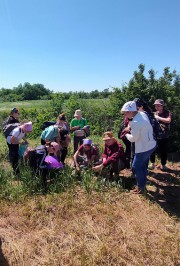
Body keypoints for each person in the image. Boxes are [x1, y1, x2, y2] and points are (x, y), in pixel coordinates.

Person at [121, 101, 156, 194]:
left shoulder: (136, 122)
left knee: (136, 167)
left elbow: (133, 139)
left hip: (144, 147)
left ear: (130, 112)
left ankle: (141, 188)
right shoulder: (142, 113)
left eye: (125, 113)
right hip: (151, 144)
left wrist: (126, 134)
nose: (125, 116)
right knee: (143, 166)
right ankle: (142, 185)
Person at [149, 99, 172, 170]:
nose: (157, 107)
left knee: (163, 151)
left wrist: (158, 117)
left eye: (158, 105)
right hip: (154, 135)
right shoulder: (154, 113)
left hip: (164, 136)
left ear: (162, 106)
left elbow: (168, 120)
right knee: (152, 150)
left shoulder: (167, 112)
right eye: (155, 106)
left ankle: (163, 165)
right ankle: (152, 163)